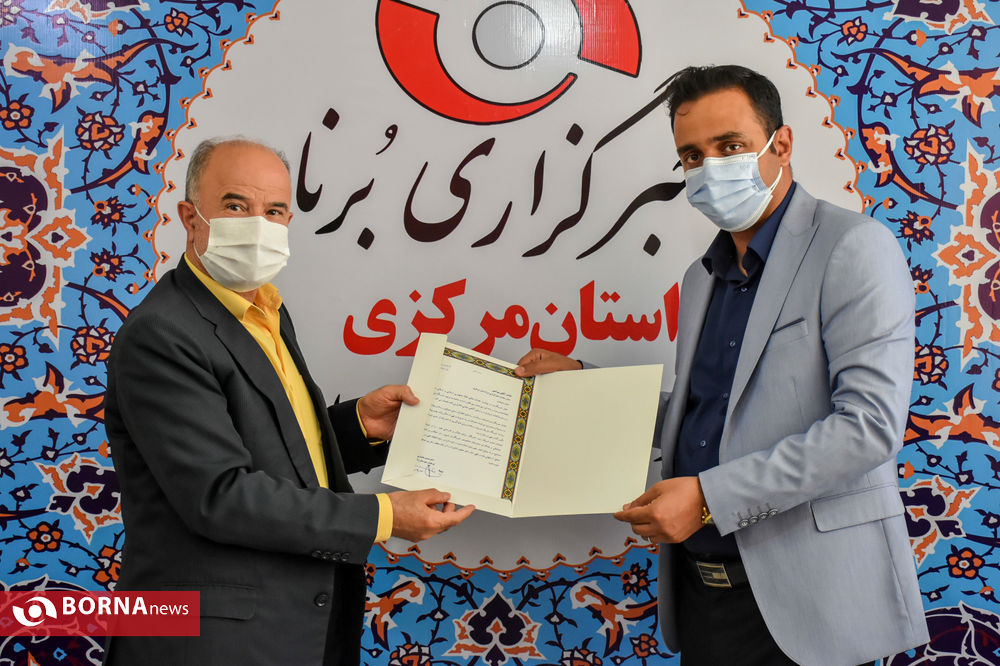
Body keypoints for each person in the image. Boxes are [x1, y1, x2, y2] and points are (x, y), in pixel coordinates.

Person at [515, 65, 928, 666]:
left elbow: (868, 427)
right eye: (692, 156)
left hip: (811, 601)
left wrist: (708, 498)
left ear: (781, 144)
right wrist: (584, 384)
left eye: (730, 146)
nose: (710, 169)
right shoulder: (701, 278)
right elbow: (705, 416)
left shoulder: (852, 246)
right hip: (702, 595)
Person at [103, 137, 474, 665]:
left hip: (297, 629)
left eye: (274, 211)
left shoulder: (266, 311)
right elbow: (221, 495)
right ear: (190, 218)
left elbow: (267, 444)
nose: (258, 225)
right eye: (236, 206)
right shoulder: (162, 333)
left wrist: (358, 426)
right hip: (212, 645)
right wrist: (383, 515)